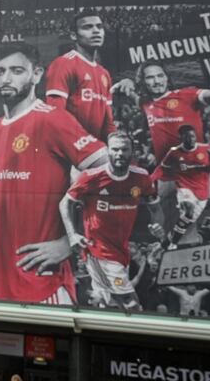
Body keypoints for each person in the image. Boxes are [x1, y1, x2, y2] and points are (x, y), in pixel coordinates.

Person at [0, 42, 108, 305]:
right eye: (0, 71)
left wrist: (70, 242)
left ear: (36, 75)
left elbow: (113, 175)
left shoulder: (53, 120)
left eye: (16, 70)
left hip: (40, 285)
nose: (6, 78)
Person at [112, 62, 210, 238]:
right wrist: (126, 81)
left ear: (167, 78)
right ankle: (205, 233)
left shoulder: (187, 95)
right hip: (170, 179)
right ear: (143, 82)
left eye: (160, 75)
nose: (157, 81)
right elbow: (127, 91)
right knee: (181, 237)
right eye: (150, 77)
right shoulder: (146, 103)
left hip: (200, 168)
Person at [59, 132, 162, 310]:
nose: (119, 154)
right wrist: (72, 235)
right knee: (131, 304)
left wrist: (159, 225)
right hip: (99, 251)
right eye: (115, 149)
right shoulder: (91, 177)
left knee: (110, 305)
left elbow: (156, 207)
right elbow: (65, 202)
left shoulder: (141, 178)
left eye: (124, 149)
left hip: (122, 251)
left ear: (132, 152)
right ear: (108, 152)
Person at [154, 125, 210, 249]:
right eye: (187, 137)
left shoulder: (206, 148)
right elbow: (161, 169)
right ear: (181, 138)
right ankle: (172, 246)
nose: (191, 139)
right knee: (188, 212)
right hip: (185, 189)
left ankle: (165, 244)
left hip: (202, 193)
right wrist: (147, 181)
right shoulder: (174, 152)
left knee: (185, 223)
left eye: (193, 136)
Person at [45, 10, 115, 139]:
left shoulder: (104, 73)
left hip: (96, 150)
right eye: (87, 27)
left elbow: (108, 122)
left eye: (99, 27)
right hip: (71, 148)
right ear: (73, 35)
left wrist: (112, 141)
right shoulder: (63, 64)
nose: (96, 31)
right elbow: (55, 115)